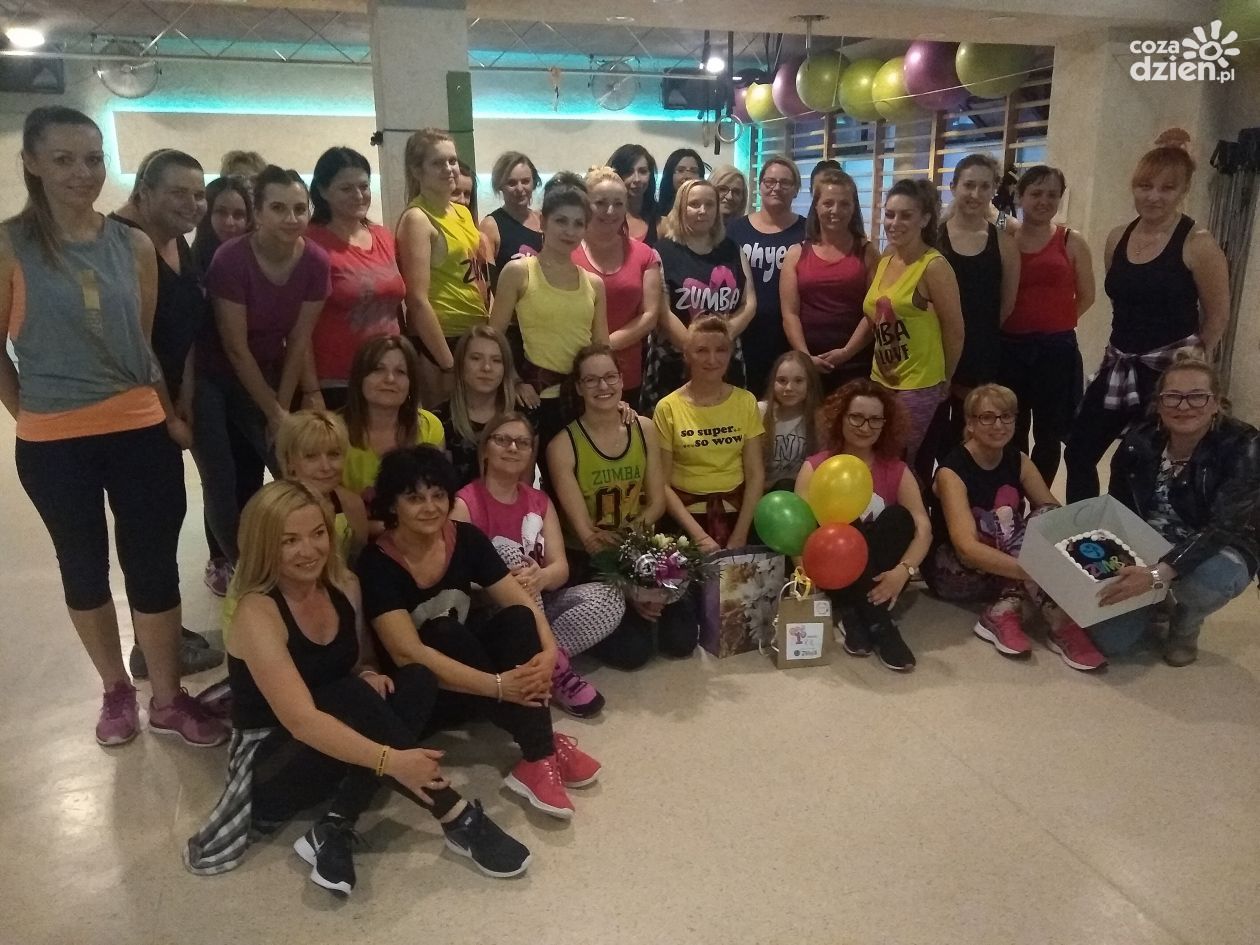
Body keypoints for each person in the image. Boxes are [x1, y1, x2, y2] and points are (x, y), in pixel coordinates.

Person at [0, 106, 226, 747]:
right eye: (63, 159)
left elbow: (141, 346)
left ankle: (169, 697)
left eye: (93, 159)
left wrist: (167, 415)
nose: (82, 172)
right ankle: (115, 690)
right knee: (83, 567)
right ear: (32, 163)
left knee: (153, 564)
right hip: (53, 442)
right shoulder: (9, 245)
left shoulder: (132, 246)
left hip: (139, 431)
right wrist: (31, 415)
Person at [186, 480, 531, 892]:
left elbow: (361, 659)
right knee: (347, 695)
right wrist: (392, 760)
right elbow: (301, 720)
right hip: (273, 762)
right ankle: (456, 815)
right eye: (289, 541)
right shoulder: (257, 611)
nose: (309, 550)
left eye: (317, 533)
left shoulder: (344, 585)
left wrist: (369, 672)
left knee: (416, 679)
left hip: (337, 729)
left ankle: (337, 821)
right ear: (263, 545)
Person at [359, 446, 603, 820]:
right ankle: (543, 747)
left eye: (438, 495)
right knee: (443, 632)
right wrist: (501, 686)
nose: (430, 507)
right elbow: (407, 653)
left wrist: (548, 652)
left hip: (474, 681)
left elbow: (520, 602)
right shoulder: (377, 563)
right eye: (415, 498)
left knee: (518, 620)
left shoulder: (466, 538)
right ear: (392, 505)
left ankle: (538, 755)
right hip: (426, 693)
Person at [1065, 130, 1231, 501]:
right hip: (1119, 364)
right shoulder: (1117, 237)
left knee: (1137, 462)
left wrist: (1191, 368)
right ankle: (1084, 526)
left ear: (1183, 190)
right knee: (1078, 451)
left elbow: (1218, 315)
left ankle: (1131, 530)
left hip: (1167, 371)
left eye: (1167, 188)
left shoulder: (1198, 244)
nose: (1154, 196)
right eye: (1145, 186)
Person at [108, 148, 224, 680]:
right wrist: (167, 412)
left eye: (199, 194)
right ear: (144, 191)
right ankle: (149, 647)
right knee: (145, 531)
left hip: (170, 401)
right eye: (178, 192)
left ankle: (162, 632)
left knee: (164, 519)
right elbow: (135, 341)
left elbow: (188, 331)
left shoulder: (177, 242)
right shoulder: (118, 242)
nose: (193, 204)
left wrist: (186, 399)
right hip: (129, 409)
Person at [198, 165, 331, 564]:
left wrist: (282, 410)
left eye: (299, 208)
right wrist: (273, 412)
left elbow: (299, 339)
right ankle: (239, 569)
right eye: (278, 208)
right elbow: (234, 347)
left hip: (270, 369)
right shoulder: (230, 259)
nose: (291, 218)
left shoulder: (315, 261)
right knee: (223, 479)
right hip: (214, 376)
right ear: (257, 213)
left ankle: (304, 558)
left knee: (291, 466)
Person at [453, 413, 627, 717]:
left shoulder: (539, 501)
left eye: (522, 443)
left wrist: (541, 576)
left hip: (540, 604)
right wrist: (505, 582)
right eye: (502, 440)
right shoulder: (464, 504)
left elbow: (561, 569)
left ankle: (543, 663)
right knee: (506, 554)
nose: (513, 448)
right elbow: (454, 582)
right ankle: (555, 667)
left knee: (610, 596)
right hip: (491, 615)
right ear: (485, 449)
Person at [1090, 353, 1258, 665]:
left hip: (1214, 548)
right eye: (1173, 397)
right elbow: (1118, 510)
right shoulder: (1137, 441)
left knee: (1209, 581)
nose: (1184, 406)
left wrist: (1157, 574)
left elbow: (1224, 526)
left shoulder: (1243, 445)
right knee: (1110, 642)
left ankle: (1186, 623)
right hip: (1148, 545)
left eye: (1197, 396)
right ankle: (1158, 600)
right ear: (1159, 403)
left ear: (1216, 403)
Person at [926, 384, 1107, 672]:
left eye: (1006, 416)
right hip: (957, 570)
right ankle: (1062, 624)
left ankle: (1004, 609)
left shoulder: (1019, 459)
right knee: (999, 532)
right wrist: (1035, 571)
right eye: (987, 417)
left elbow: (1053, 517)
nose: (999, 425)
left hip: (1007, 557)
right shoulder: (952, 471)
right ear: (970, 424)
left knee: (1047, 517)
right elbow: (966, 548)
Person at [794, 379, 932, 671]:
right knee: (847, 523)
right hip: (832, 573)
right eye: (856, 417)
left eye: (874, 420)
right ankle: (881, 625)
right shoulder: (816, 467)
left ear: (885, 424)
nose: (865, 427)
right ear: (841, 418)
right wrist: (808, 582)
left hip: (884, 576)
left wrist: (904, 571)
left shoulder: (896, 469)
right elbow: (799, 533)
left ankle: (856, 616)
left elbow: (923, 527)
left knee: (899, 518)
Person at [547, 345, 669, 669]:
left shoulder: (644, 428)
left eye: (610, 377)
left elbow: (657, 503)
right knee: (634, 654)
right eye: (591, 380)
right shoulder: (563, 445)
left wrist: (639, 565)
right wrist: (629, 588)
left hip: (639, 546)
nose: (603, 386)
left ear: (622, 379)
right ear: (578, 387)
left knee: (680, 639)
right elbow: (587, 536)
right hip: (593, 560)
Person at [490, 181, 608, 446]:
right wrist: (515, 381)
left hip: (582, 398)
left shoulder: (594, 284)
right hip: (535, 398)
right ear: (543, 222)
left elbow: (601, 347)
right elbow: (494, 338)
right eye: (561, 221)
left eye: (578, 223)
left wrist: (609, 392)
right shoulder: (519, 272)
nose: (570, 231)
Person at [998, 165, 1095, 484]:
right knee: (1011, 428)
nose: (1044, 201)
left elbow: (1087, 295)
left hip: (1056, 351)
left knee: (1049, 433)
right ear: (1020, 196)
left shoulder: (1071, 240)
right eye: (1036, 193)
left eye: (1052, 194)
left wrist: (1057, 322)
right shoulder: (1005, 239)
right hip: (1010, 349)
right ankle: (1012, 495)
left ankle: (1040, 498)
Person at [863, 178, 964, 478]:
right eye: (890, 214)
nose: (895, 223)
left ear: (925, 219)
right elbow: (872, 317)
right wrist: (844, 351)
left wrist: (946, 378)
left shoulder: (933, 266)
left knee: (901, 465)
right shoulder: (885, 259)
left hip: (918, 384)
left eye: (906, 215)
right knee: (878, 458)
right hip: (880, 378)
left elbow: (955, 330)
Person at [930, 153, 1021, 465]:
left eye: (984, 187)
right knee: (932, 436)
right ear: (953, 186)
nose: (976, 194)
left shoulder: (1004, 242)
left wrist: (977, 335)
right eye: (969, 185)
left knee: (971, 438)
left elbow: (1006, 304)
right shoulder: (933, 238)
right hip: (934, 350)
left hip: (980, 353)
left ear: (994, 190)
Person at [642, 179, 756, 416]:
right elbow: (663, 312)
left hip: (725, 362)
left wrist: (720, 344)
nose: (703, 211)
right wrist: (696, 351)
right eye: (694, 204)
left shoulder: (733, 249)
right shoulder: (662, 251)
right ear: (681, 208)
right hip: (676, 362)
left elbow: (749, 303)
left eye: (709, 204)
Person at [306, 147, 406, 413]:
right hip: (338, 379)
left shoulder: (383, 236)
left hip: (390, 373)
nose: (359, 195)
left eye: (364, 186)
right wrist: (310, 390)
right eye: (346, 189)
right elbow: (298, 329)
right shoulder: (310, 242)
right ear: (323, 191)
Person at [192, 174, 255, 597]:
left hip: (247, 379)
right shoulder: (190, 262)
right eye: (221, 213)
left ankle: (252, 554)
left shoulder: (252, 261)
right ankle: (226, 560)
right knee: (219, 478)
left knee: (250, 473)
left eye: (239, 214)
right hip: (204, 384)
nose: (231, 222)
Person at [654, 316, 765, 555]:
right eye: (702, 350)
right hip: (685, 520)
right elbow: (661, 484)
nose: (712, 359)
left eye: (721, 350)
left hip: (738, 516)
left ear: (730, 354)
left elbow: (755, 475)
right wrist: (700, 537)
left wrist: (740, 534)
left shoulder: (746, 402)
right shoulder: (667, 408)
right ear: (687, 355)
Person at [396, 128, 490, 406]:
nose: (449, 169)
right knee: (445, 420)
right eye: (438, 163)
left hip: (473, 331)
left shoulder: (461, 212)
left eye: (452, 161)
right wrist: (447, 363)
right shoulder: (417, 219)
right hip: (441, 338)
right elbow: (416, 299)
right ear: (417, 171)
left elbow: (477, 273)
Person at [780, 167, 881, 395]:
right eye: (828, 203)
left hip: (856, 362)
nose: (836, 210)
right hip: (806, 366)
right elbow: (790, 314)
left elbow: (874, 311)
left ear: (854, 208)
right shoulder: (796, 254)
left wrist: (846, 352)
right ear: (816, 206)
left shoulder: (868, 253)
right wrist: (805, 357)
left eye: (844, 204)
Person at [573, 165, 663, 409]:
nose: (610, 211)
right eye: (600, 203)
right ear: (585, 204)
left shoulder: (644, 254)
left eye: (618, 204)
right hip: (573, 369)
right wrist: (592, 355)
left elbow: (650, 315)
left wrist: (603, 348)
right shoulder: (565, 252)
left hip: (625, 373)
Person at [726, 155, 805, 393]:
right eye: (770, 181)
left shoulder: (808, 231)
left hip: (790, 334)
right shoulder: (735, 230)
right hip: (744, 333)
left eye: (785, 182)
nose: (776, 188)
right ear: (760, 186)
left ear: (796, 189)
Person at [340, 336, 445, 512]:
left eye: (400, 372)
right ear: (360, 378)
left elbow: (436, 494)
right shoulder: (332, 431)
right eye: (378, 369)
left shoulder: (429, 426)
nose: (390, 379)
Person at [276, 410, 370, 564]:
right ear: (289, 462)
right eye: (311, 456)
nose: (326, 467)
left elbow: (360, 562)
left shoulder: (352, 504)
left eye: (333, 454)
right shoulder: (271, 510)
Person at [436, 326, 521, 488]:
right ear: (461, 364)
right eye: (476, 358)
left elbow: (526, 488)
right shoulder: (439, 420)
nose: (486, 368)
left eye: (496, 360)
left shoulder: (523, 417)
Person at [479, 151, 543, 288]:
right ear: (500, 186)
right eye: (512, 183)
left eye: (525, 181)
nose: (520, 188)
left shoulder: (543, 219)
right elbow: (487, 282)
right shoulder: (491, 225)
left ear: (534, 182)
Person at [760, 350, 821, 492]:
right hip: (761, 493)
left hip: (800, 493)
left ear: (810, 383)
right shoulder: (760, 411)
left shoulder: (819, 419)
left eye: (798, 381)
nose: (789, 388)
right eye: (782, 380)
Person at [607, 143, 659, 244]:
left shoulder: (660, 223)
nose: (637, 179)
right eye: (628, 172)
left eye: (643, 171)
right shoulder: (605, 217)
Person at [657, 148, 707, 216]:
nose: (688, 176)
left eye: (693, 171)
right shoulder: (656, 213)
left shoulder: (706, 210)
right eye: (680, 170)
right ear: (670, 175)